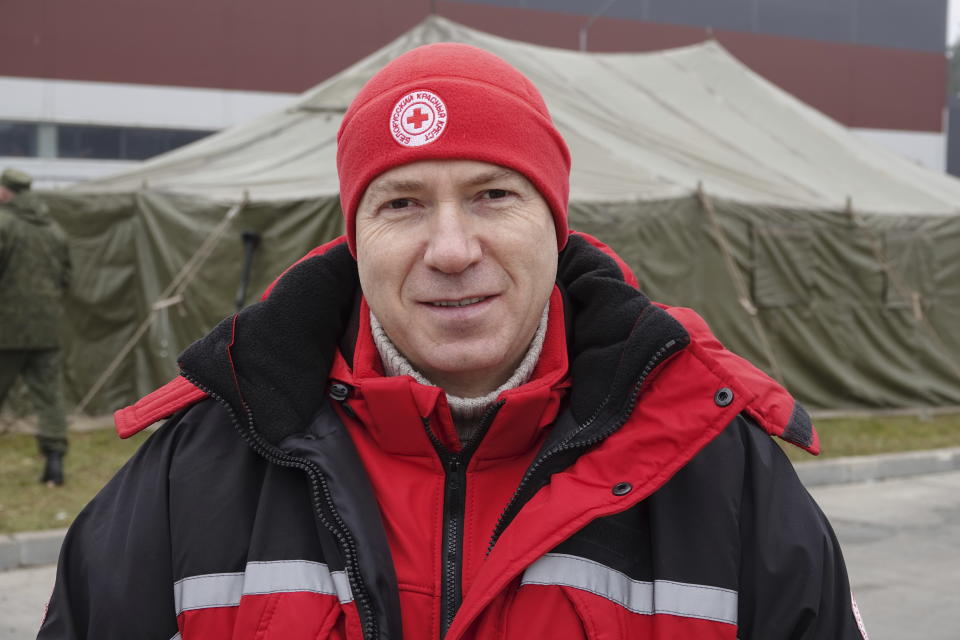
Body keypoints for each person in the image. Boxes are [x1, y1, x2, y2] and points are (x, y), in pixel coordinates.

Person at [39, 44, 869, 639]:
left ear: (555, 219)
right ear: (354, 236)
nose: (451, 249)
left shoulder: (714, 467)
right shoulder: (200, 466)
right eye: (400, 203)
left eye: (492, 194)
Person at [0, 168, 71, 487]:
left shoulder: (4, 224)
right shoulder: (55, 230)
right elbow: (65, 279)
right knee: (50, 397)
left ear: (6, 192)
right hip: (48, 328)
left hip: (6, 328)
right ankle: (54, 464)